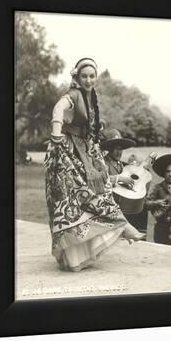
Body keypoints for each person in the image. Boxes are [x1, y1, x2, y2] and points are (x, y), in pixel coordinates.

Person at [45, 57, 144, 272]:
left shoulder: (90, 98)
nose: (88, 80)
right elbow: (58, 108)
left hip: (84, 149)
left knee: (96, 190)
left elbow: (84, 123)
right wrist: (56, 131)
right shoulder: (73, 94)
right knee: (73, 198)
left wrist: (96, 128)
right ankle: (120, 226)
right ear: (77, 77)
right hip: (67, 151)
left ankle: (113, 229)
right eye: (84, 76)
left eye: (92, 76)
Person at [100, 129, 149, 234]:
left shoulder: (121, 165)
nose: (119, 152)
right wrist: (119, 178)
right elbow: (100, 180)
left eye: (121, 149)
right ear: (109, 148)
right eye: (116, 149)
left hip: (122, 207)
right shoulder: (104, 163)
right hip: (108, 209)